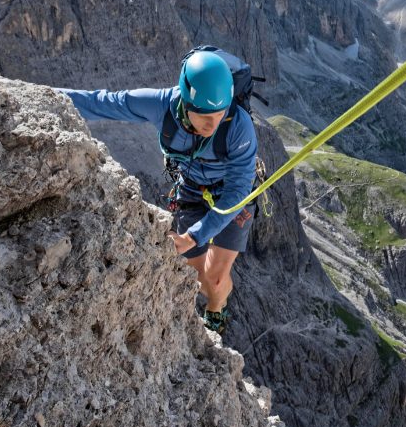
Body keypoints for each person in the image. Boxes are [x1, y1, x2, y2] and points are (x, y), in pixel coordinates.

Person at [57, 50, 258, 334]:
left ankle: (217, 309)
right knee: (198, 277)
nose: (212, 126)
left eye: (219, 114)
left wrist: (193, 236)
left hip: (232, 197)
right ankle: (211, 296)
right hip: (191, 188)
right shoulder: (161, 105)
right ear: (186, 103)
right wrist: (42, 95)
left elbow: (238, 191)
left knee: (214, 280)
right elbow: (103, 102)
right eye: (204, 117)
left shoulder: (239, 126)